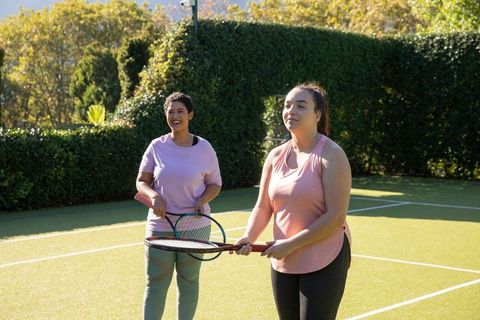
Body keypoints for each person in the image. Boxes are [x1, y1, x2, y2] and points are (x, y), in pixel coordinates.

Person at [235, 83, 352, 320]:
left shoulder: (332, 154)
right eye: (287, 106)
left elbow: (335, 217)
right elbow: (263, 206)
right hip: (285, 258)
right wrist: (249, 236)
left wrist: (289, 244)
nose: (291, 111)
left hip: (325, 254)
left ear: (317, 115)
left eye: (301, 106)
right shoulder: (275, 155)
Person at [136, 92, 222, 320]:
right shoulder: (156, 146)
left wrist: (201, 201)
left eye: (180, 111)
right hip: (160, 226)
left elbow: (215, 184)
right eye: (170, 111)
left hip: (195, 227)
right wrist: (153, 196)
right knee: (155, 283)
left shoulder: (204, 148)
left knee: (189, 281)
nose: (175, 116)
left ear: (190, 115)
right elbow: (142, 181)